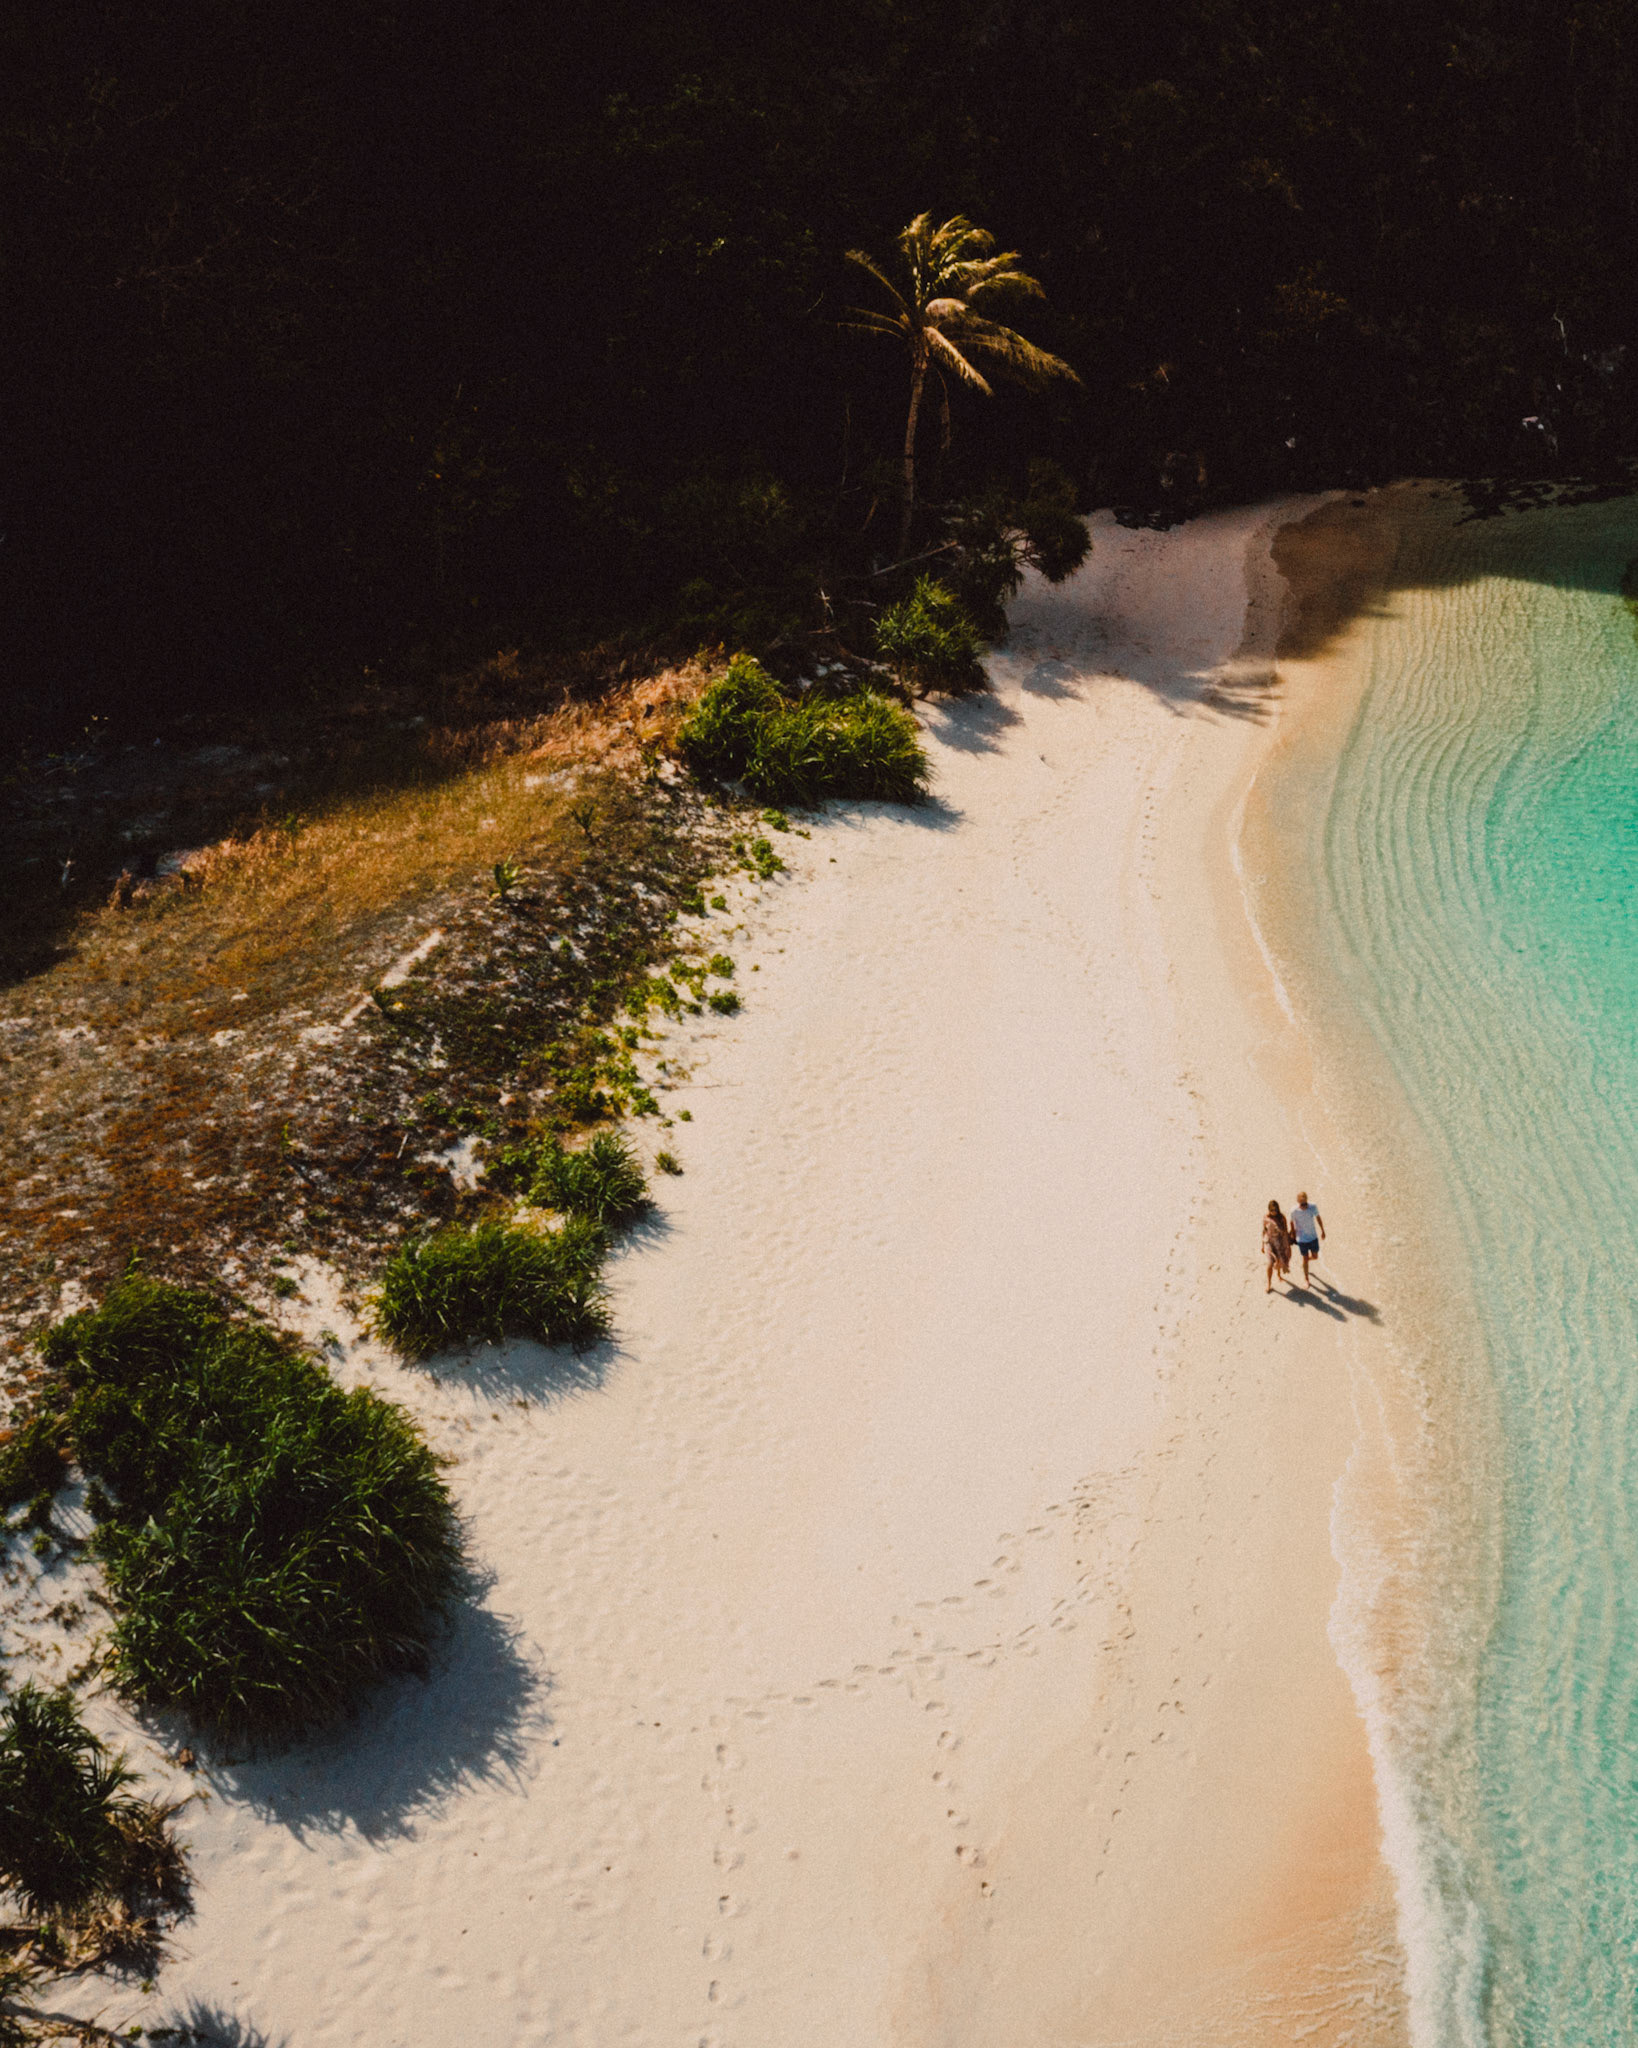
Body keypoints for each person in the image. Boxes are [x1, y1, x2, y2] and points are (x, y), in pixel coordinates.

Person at [1290, 1191, 1325, 1285]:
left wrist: (1322, 1230)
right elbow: (1291, 1222)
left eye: (1305, 1202)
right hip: (1302, 1239)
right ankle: (1306, 1279)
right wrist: (1293, 1235)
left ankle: (1305, 1262)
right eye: (1302, 1203)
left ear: (1307, 1200)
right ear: (1298, 1201)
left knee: (1315, 1256)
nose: (1304, 1205)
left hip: (1313, 1237)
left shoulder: (1313, 1207)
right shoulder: (1294, 1210)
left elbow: (1318, 1218)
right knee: (1305, 1258)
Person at [1261, 1199, 1292, 1293]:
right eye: (1272, 1210)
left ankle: (1279, 1275)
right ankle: (1269, 1284)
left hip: (1279, 1241)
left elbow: (1286, 1232)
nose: (1273, 1212)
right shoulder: (1266, 1218)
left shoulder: (1282, 1218)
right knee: (1270, 1263)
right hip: (1269, 1242)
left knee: (1279, 1261)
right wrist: (1262, 1244)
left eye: (1275, 1210)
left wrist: (1287, 1245)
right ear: (1269, 1210)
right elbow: (1263, 1231)